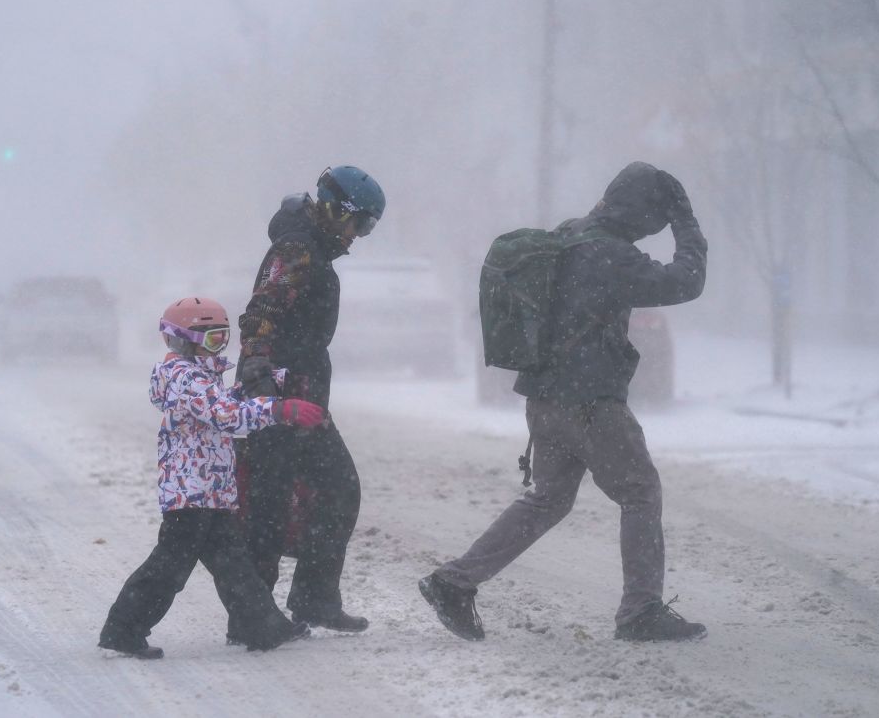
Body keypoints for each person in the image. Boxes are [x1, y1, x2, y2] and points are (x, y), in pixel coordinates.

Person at [419, 161, 709, 642]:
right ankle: (641, 612)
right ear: (644, 215)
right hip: (591, 402)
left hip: (546, 400)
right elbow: (686, 281)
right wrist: (686, 222)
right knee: (640, 492)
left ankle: (453, 582)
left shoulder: (569, 236)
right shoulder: (609, 254)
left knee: (547, 501)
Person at [98, 297, 327, 658]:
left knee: (232, 562)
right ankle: (124, 628)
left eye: (222, 338)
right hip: (190, 493)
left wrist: (265, 383)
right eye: (210, 339)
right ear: (181, 340)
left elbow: (221, 403)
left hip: (211, 490)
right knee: (169, 566)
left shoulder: (199, 376)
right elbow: (224, 415)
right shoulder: (184, 376)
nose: (217, 346)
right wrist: (279, 409)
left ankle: (263, 627)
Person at [234, 165, 385, 635]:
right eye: (360, 223)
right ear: (336, 209)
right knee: (268, 505)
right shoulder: (298, 247)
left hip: (306, 395)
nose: (360, 235)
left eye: (369, 227)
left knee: (337, 490)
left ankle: (314, 599)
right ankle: (252, 617)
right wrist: (258, 367)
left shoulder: (312, 246)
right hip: (278, 394)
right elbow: (262, 309)